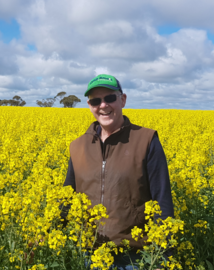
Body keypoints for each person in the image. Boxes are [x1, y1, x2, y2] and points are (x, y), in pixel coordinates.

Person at [63, 74, 174, 269]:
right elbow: (66, 195)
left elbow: (161, 198)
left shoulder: (146, 140)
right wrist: (43, 233)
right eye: (96, 101)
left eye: (110, 98)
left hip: (134, 256)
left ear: (122, 100)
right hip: (90, 254)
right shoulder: (77, 146)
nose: (103, 105)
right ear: (89, 105)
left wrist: (164, 255)